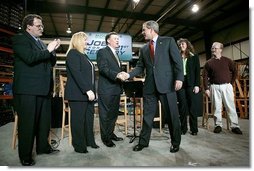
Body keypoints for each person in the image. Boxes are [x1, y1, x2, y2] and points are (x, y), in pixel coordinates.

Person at [120, 20, 184, 153]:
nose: (142, 32)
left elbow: (177, 62)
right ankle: (143, 142)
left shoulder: (168, 41)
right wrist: (128, 75)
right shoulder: (143, 49)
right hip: (149, 87)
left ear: (151, 29)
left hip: (167, 85)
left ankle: (175, 142)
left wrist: (179, 78)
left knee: (172, 116)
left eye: (144, 30)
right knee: (147, 116)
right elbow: (140, 67)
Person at [12, 14, 61, 166]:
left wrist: (52, 51)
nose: (42, 28)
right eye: (38, 25)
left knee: (44, 122)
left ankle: (43, 147)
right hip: (28, 90)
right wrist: (48, 50)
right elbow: (29, 58)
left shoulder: (40, 42)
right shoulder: (20, 39)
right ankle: (25, 156)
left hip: (43, 89)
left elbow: (50, 62)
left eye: (42, 25)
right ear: (29, 27)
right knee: (28, 124)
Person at [65, 32, 99, 153]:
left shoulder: (84, 55)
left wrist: (92, 91)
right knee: (78, 121)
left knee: (89, 119)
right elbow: (77, 74)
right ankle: (79, 146)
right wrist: (87, 90)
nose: (87, 42)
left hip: (88, 94)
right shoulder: (73, 54)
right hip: (78, 94)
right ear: (78, 41)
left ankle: (90, 141)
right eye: (85, 40)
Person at [202, 42, 242, 134]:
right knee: (216, 107)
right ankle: (218, 125)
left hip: (227, 86)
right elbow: (204, 76)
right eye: (212, 48)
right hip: (214, 87)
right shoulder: (208, 63)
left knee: (230, 106)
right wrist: (207, 88)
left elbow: (235, 71)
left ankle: (235, 126)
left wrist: (231, 83)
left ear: (220, 49)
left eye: (215, 48)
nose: (213, 50)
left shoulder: (228, 61)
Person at [96, 32, 124, 147]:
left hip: (116, 89)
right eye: (115, 38)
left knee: (113, 114)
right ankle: (105, 138)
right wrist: (117, 75)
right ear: (108, 40)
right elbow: (103, 68)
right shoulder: (102, 52)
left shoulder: (116, 54)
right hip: (106, 89)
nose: (118, 40)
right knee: (105, 115)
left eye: (118, 39)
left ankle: (110, 133)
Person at [176, 38, 202, 136]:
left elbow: (197, 71)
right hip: (180, 82)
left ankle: (194, 129)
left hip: (190, 83)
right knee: (182, 106)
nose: (181, 46)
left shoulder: (194, 56)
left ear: (187, 45)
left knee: (192, 106)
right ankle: (183, 128)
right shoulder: (177, 56)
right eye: (179, 45)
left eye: (183, 44)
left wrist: (197, 85)